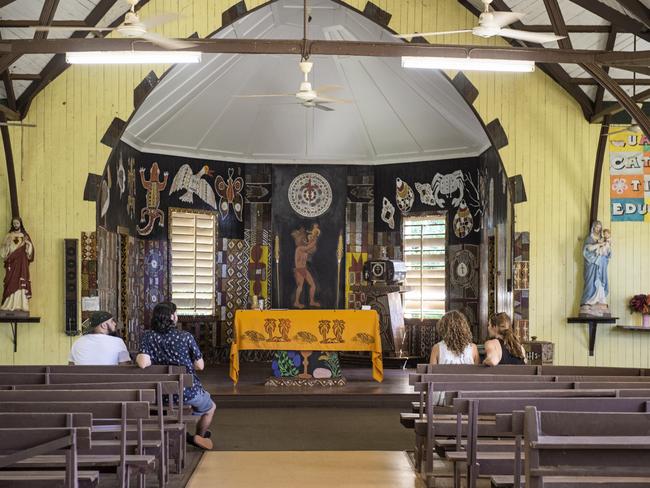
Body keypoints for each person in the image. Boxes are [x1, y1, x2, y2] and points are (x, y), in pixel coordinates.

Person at [136, 302, 216, 450]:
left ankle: (186, 434)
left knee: (173, 408)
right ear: (172, 317)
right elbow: (200, 366)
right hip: (186, 393)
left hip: (158, 394)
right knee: (210, 407)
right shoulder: (185, 337)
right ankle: (200, 435)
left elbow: (142, 363)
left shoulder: (148, 336)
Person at [429, 310, 479, 405]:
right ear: (464, 327)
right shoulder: (473, 348)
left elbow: (432, 376)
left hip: (443, 398)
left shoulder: (437, 348)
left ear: (443, 328)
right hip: (467, 397)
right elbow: (475, 376)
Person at [1, 217, 34, 312]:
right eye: (14, 223)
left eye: (17, 223)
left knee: (20, 281)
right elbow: (3, 252)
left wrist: (28, 245)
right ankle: (8, 304)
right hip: (11, 263)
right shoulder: (8, 236)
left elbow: (30, 252)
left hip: (22, 263)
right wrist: (6, 246)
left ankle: (21, 305)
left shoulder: (25, 236)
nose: (16, 225)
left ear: (20, 224)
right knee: (10, 281)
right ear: (12, 224)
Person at [579, 220, 611, 315]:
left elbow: (608, 253)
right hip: (591, 265)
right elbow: (587, 250)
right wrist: (598, 245)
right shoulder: (589, 238)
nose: (598, 229)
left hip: (601, 265)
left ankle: (600, 301)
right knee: (590, 282)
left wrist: (607, 248)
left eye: (599, 228)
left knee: (600, 282)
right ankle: (588, 302)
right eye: (596, 227)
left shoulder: (603, 238)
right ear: (593, 227)